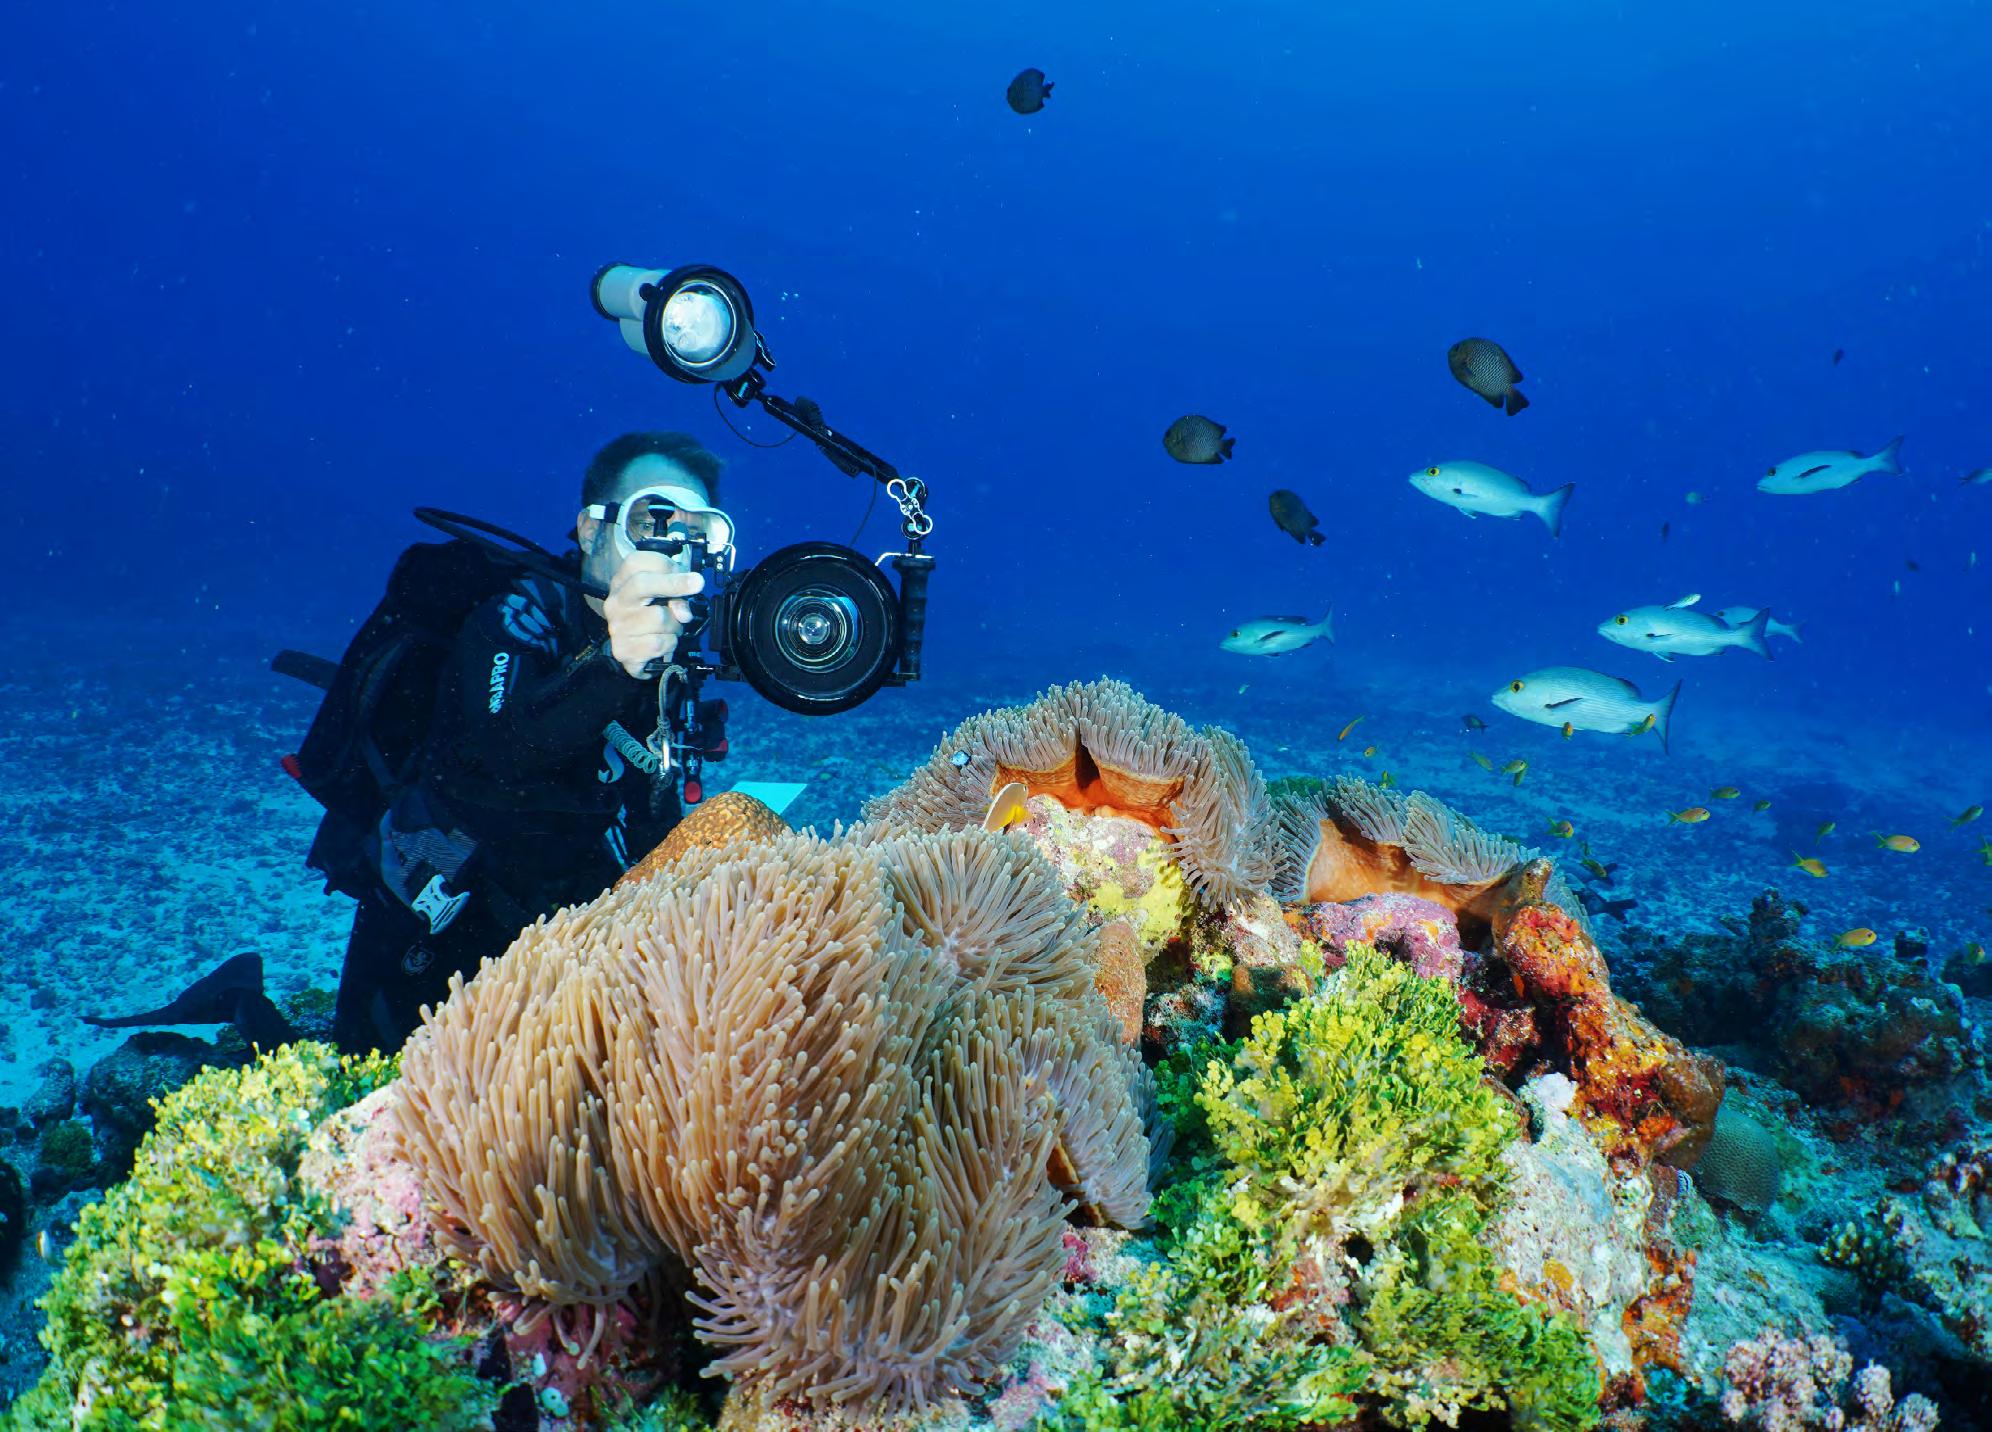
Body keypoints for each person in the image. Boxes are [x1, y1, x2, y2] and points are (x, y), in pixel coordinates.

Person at [328, 431, 730, 1053]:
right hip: (444, 899)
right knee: (369, 1069)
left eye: (693, 531)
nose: (670, 546)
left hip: (566, 890)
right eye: (650, 521)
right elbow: (501, 752)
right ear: (592, 531)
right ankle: (245, 1004)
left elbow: (652, 795)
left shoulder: (669, 646)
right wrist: (614, 664)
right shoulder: (516, 617)